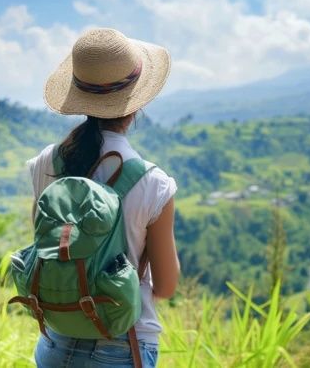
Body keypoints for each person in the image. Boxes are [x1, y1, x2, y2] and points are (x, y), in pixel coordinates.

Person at [27, 28, 180, 367]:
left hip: (55, 341)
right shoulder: (154, 184)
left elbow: (47, 249)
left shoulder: (44, 164)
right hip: (123, 347)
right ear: (137, 103)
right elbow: (166, 286)